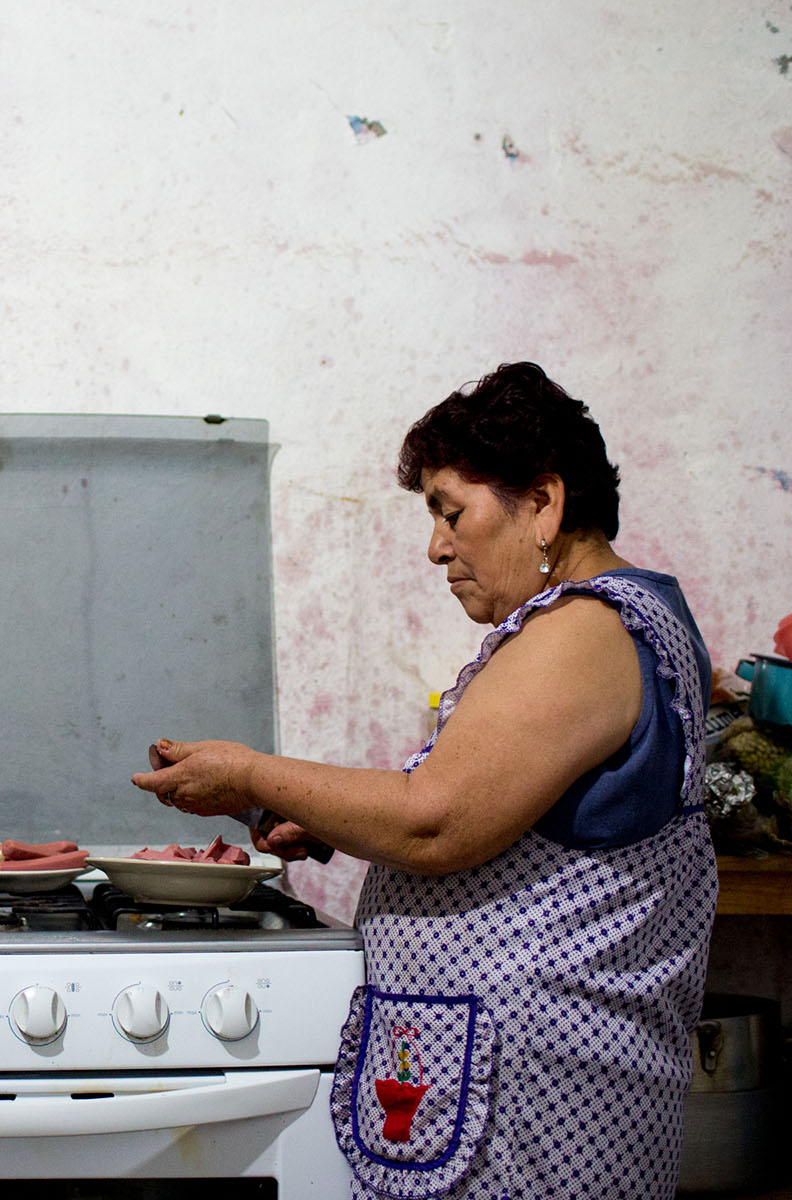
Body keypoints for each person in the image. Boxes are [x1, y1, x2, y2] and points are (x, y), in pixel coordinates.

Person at [132, 361, 715, 1199]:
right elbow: (487, 806)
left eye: (452, 511)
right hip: (522, 1089)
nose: (436, 545)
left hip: (539, 1113)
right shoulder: (609, 622)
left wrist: (254, 770)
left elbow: (433, 821)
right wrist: (327, 816)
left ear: (543, 504)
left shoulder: (587, 629)